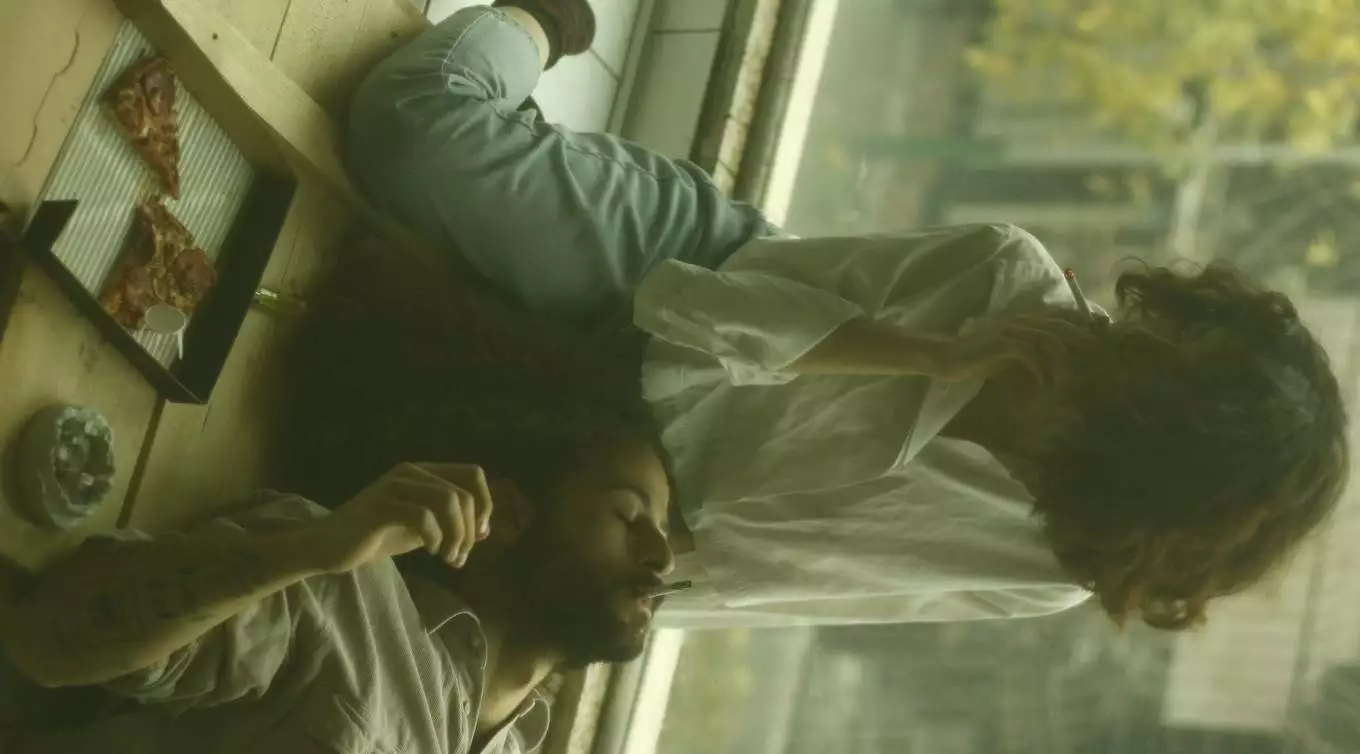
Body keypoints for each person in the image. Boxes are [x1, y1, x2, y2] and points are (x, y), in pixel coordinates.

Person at [345, 2, 1350, 630]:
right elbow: (697, 311)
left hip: (625, 486)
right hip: (669, 287)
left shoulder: (1046, 569)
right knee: (412, 140)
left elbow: (760, 580)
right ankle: (541, 25)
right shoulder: (1002, 278)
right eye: (1137, 345)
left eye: (1119, 389)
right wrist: (933, 353)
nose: (1093, 353)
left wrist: (587, 593)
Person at [0, 329, 675, 754]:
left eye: (664, 533)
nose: (663, 557)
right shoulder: (335, 593)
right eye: (629, 514)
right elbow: (42, 639)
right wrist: (308, 552)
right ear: (513, 517)